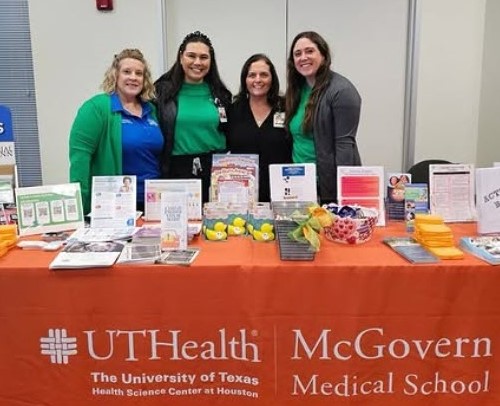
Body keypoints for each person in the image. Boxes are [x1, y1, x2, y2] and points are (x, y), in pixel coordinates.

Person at [69, 49, 165, 214]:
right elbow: (80, 160)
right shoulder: (96, 108)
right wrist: (80, 208)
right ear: (116, 75)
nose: (133, 77)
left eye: (139, 73)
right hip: (116, 204)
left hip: (153, 202)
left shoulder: (151, 110)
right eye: (127, 72)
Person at [155, 31, 232, 203]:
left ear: (211, 61)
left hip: (216, 171)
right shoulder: (161, 93)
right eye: (191, 56)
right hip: (176, 171)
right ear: (181, 57)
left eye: (204, 57)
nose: (198, 62)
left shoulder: (222, 94)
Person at [285, 31, 362, 204]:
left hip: (327, 185)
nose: (303, 57)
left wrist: (342, 197)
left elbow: (345, 147)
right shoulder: (297, 91)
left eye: (309, 51)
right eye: (297, 54)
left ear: (324, 55)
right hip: (300, 183)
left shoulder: (342, 91)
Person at [228, 54, 291, 202]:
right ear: (245, 80)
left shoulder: (287, 108)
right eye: (252, 75)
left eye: (264, 75)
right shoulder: (233, 111)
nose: (258, 80)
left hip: (282, 193)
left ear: (272, 79)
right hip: (241, 196)